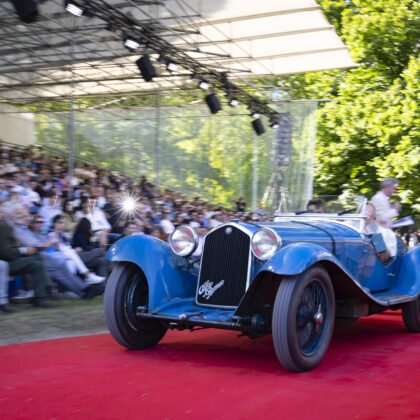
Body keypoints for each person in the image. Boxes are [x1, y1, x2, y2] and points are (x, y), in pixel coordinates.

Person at [0, 202, 55, 308]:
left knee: (38, 257)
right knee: (36, 263)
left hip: (9, 260)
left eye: (22, 214)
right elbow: (5, 253)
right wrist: (25, 251)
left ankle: (45, 293)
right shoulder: (4, 226)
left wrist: (26, 250)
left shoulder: (10, 226)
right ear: (8, 214)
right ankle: (41, 297)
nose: (21, 216)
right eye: (18, 213)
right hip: (6, 263)